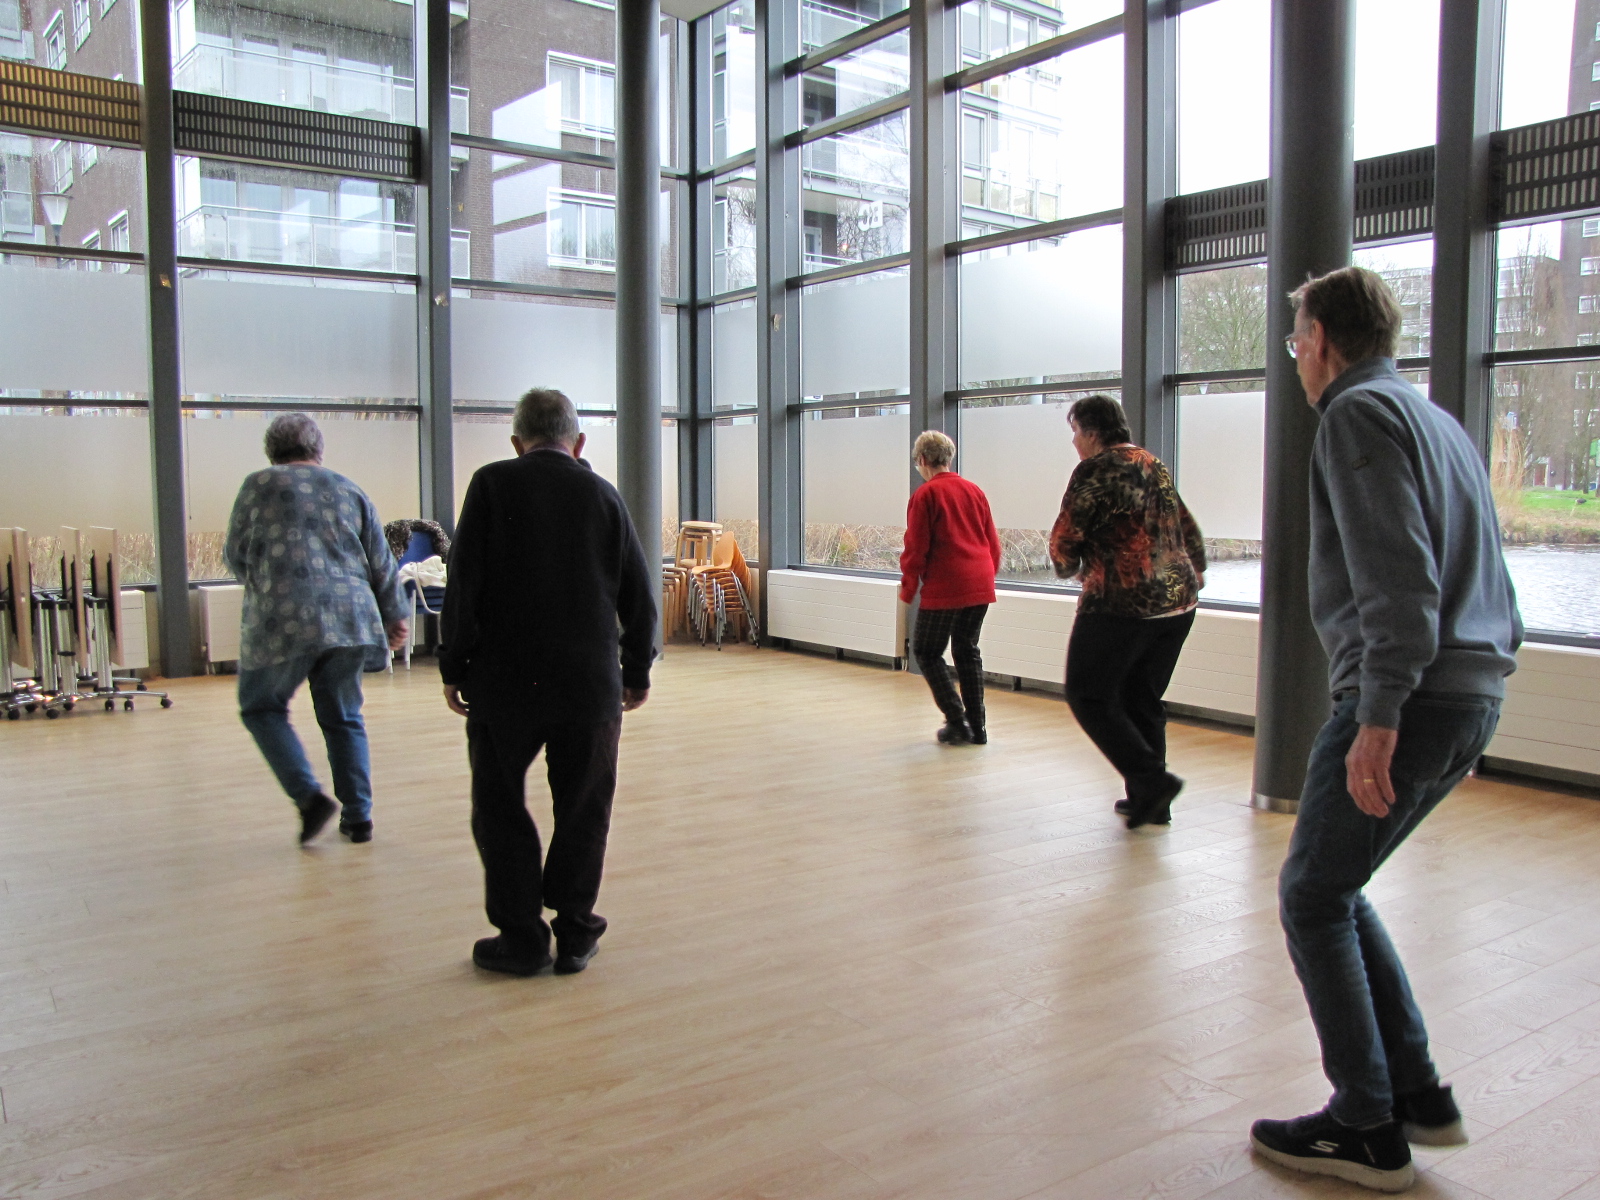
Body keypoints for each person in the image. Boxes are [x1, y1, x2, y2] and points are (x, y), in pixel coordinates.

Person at [1248, 267, 1522, 1192]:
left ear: (1321, 337)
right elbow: (1486, 577)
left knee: (1311, 896)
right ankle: (1415, 1089)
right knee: (1339, 882)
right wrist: (1463, 708)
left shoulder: (1357, 418)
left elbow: (1398, 585)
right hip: (1467, 690)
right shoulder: (1436, 418)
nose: (1297, 361)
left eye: (1296, 344)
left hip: (1410, 697)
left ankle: (1365, 1124)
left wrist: (1382, 718)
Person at [440, 387, 656, 979]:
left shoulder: (490, 485)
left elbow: (463, 587)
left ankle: (521, 938)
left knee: (499, 805)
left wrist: (453, 666)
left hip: (503, 683)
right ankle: (577, 930)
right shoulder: (603, 496)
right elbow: (639, 595)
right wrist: (635, 671)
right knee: (584, 808)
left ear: (517, 441)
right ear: (578, 442)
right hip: (588, 686)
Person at [224, 412, 409, 846]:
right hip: (350, 616)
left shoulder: (258, 485)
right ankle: (359, 817)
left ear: (271, 452)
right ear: (318, 449)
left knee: (261, 708)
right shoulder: (348, 488)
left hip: (281, 617)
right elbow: (381, 561)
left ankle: (309, 798)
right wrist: (395, 614)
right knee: (343, 716)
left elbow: (235, 554)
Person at [1049, 394, 1206, 830]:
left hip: (1122, 601)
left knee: (1088, 694)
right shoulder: (1152, 463)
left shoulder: (1095, 470)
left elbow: (1066, 535)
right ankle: (1149, 801)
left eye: (1076, 432)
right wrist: (1197, 565)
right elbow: (1184, 521)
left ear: (1093, 432)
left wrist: (1070, 568)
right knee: (1141, 697)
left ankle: (1154, 783)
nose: (1075, 442)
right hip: (1177, 601)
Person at [898, 430, 1002, 745]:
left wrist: (908, 587)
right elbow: (992, 543)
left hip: (946, 586)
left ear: (922, 460)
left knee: (927, 651)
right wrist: (986, 576)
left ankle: (957, 721)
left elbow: (916, 547)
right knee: (967, 652)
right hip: (979, 582)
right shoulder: (974, 491)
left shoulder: (926, 495)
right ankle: (978, 726)